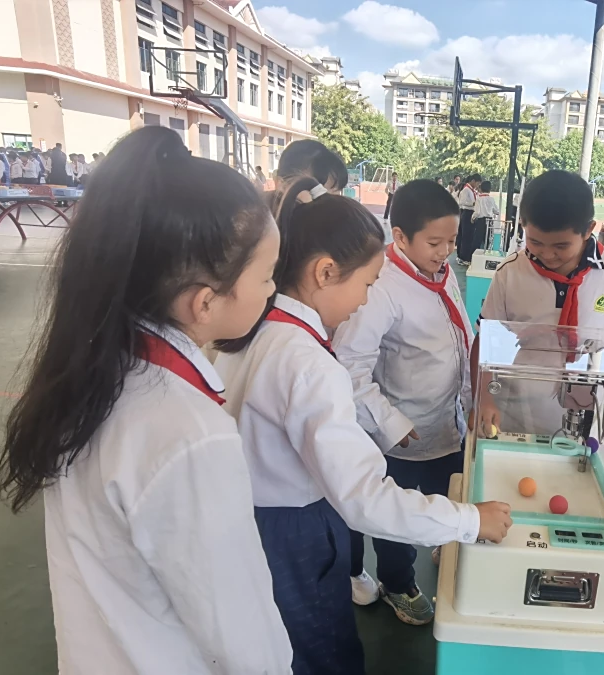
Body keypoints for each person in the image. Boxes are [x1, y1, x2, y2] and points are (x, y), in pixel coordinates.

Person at [0, 126, 293, 674]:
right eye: (267, 277)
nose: (273, 291)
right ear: (205, 302)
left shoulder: (94, 374)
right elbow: (241, 631)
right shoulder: (189, 434)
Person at [213, 178, 512, 674]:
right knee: (323, 651)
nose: (364, 299)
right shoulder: (308, 364)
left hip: (262, 518)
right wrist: (470, 520)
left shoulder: (258, 330)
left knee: (290, 644)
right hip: (295, 529)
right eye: (368, 284)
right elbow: (365, 497)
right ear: (326, 272)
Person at [333, 180, 472, 626]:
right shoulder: (382, 288)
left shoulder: (439, 273)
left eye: (452, 241)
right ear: (400, 237)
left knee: (449, 490)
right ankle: (397, 582)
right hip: (403, 435)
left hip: (447, 421)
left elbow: (458, 340)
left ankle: (445, 541)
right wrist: (389, 421)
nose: (445, 252)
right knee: (397, 516)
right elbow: (349, 365)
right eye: (434, 243)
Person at [471, 170, 604, 435]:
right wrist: (482, 399)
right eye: (535, 242)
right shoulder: (511, 273)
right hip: (519, 413)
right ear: (523, 225)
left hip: (592, 415)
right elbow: (484, 340)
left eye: (561, 246)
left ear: (588, 229)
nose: (547, 254)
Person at [265, 138, 348, 211]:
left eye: (336, 195)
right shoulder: (261, 220)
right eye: (318, 192)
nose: (332, 205)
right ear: (282, 186)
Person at [455, 173, 482, 265]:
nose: (477, 186)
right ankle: (463, 257)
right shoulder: (466, 190)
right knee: (466, 236)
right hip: (466, 212)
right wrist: (473, 204)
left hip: (470, 213)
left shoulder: (471, 190)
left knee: (468, 236)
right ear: (473, 181)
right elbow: (461, 202)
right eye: (477, 183)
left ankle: (464, 256)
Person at [471, 179, 500, 253]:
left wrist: (473, 218)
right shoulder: (491, 199)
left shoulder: (479, 199)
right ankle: (486, 255)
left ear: (481, 188)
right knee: (488, 240)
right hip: (489, 221)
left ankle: (474, 256)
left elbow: (477, 212)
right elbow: (497, 211)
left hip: (481, 221)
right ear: (489, 190)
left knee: (477, 240)